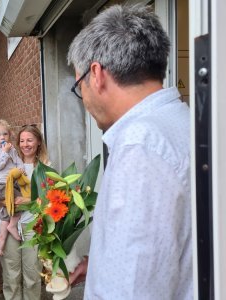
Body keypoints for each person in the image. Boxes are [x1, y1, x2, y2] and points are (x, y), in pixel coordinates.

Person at [67, 4, 192, 299]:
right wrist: (99, 267)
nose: (83, 98)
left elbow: (133, 289)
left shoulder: (140, 146)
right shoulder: (181, 122)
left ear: (95, 74)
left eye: (78, 86)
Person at [0, 124, 49, 299]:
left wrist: (29, 201)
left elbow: (50, 200)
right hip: (8, 223)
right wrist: (7, 200)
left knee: (32, 275)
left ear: (38, 142)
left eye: (30, 140)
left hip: (33, 226)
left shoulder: (46, 167)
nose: (25, 144)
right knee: (11, 275)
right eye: (22, 140)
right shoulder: (8, 160)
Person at [0, 119, 25, 255]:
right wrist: (4, 152)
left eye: (5, 134)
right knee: (20, 200)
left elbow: (17, 161)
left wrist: (21, 168)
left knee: (5, 214)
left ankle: (1, 241)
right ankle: (13, 225)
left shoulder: (12, 149)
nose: (2, 137)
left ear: (9, 135)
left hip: (8, 184)